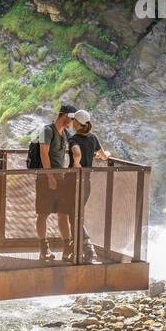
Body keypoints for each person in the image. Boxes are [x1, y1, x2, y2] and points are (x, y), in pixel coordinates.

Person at [35, 104, 76, 261]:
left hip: (61, 178)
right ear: (64, 115)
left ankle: (67, 249)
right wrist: (50, 177)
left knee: (63, 214)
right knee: (43, 214)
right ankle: (43, 250)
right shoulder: (47, 130)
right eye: (71, 118)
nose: (72, 122)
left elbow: (76, 146)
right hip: (46, 178)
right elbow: (44, 155)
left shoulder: (65, 133)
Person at [68, 110, 110, 263]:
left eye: (74, 121)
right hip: (87, 183)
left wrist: (76, 163)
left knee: (73, 215)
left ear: (78, 124)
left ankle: (87, 247)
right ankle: (79, 249)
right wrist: (105, 155)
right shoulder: (93, 138)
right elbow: (104, 156)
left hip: (73, 182)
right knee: (76, 214)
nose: (72, 122)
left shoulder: (74, 139)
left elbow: (76, 152)